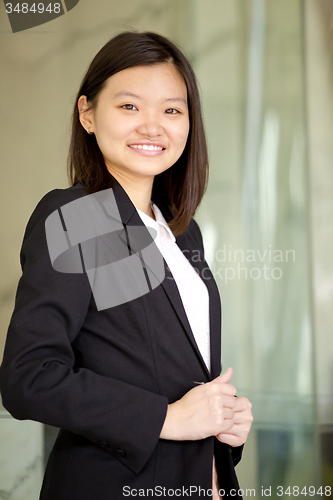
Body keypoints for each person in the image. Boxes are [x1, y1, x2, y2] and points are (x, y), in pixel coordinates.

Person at [0, 31, 253, 500]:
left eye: (172, 110)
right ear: (88, 114)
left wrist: (224, 420)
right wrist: (167, 418)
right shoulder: (81, 217)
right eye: (130, 107)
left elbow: (155, 366)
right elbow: (28, 377)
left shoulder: (180, 231)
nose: (153, 127)